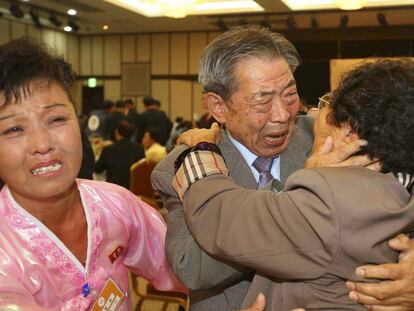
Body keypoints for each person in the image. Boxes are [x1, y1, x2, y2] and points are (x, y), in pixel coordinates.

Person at [151, 25, 370, 310]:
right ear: (218, 107)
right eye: (262, 100)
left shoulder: (328, 138)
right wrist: (307, 198)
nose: (281, 115)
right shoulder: (187, 165)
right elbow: (194, 267)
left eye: (290, 95)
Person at [173, 59, 414, 310]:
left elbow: (219, 217)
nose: (295, 114)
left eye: (326, 106)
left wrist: (200, 151)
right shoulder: (398, 186)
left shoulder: (329, 200)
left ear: (349, 133)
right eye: (262, 100)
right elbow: (191, 266)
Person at [0, 38, 184, 310]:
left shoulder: (116, 204)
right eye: (14, 129)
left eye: (57, 119)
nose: (42, 145)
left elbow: (186, 267)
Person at [94, 120, 145, 189]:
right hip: (132, 190)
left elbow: (98, 169)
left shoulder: (109, 149)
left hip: (113, 190)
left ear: (116, 132)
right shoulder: (140, 149)